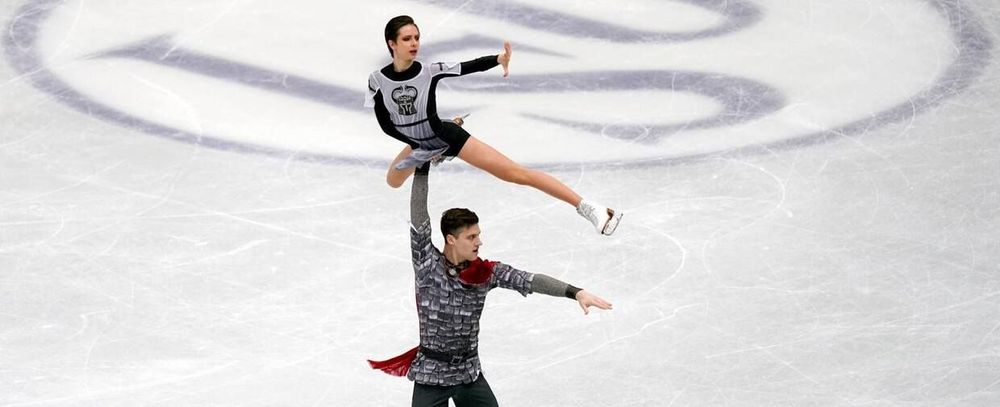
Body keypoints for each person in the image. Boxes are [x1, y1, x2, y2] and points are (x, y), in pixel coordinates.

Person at [368, 163, 614, 407]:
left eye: (478, 235)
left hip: (468, 374)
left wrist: (575, 292)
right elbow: (419, 212)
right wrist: (422, 165)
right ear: (451, 239)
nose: (479, 242)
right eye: (471, 237)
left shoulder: (486, 273)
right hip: (431, 375)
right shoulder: (426, 263)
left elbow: (528, 279)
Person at [364, 15, 623, 235]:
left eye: (417, 37)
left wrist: (499, 59)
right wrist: (421, 147)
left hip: (447, 136)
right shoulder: (377, 80)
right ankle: (434, 154)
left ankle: (590, 208)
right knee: (393, 180)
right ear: (392, 43)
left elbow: (468, 66)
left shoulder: (429, 70)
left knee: (515, 173)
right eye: (407, 39)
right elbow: (385, 124)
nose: (414, 44)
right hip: (421, 142)